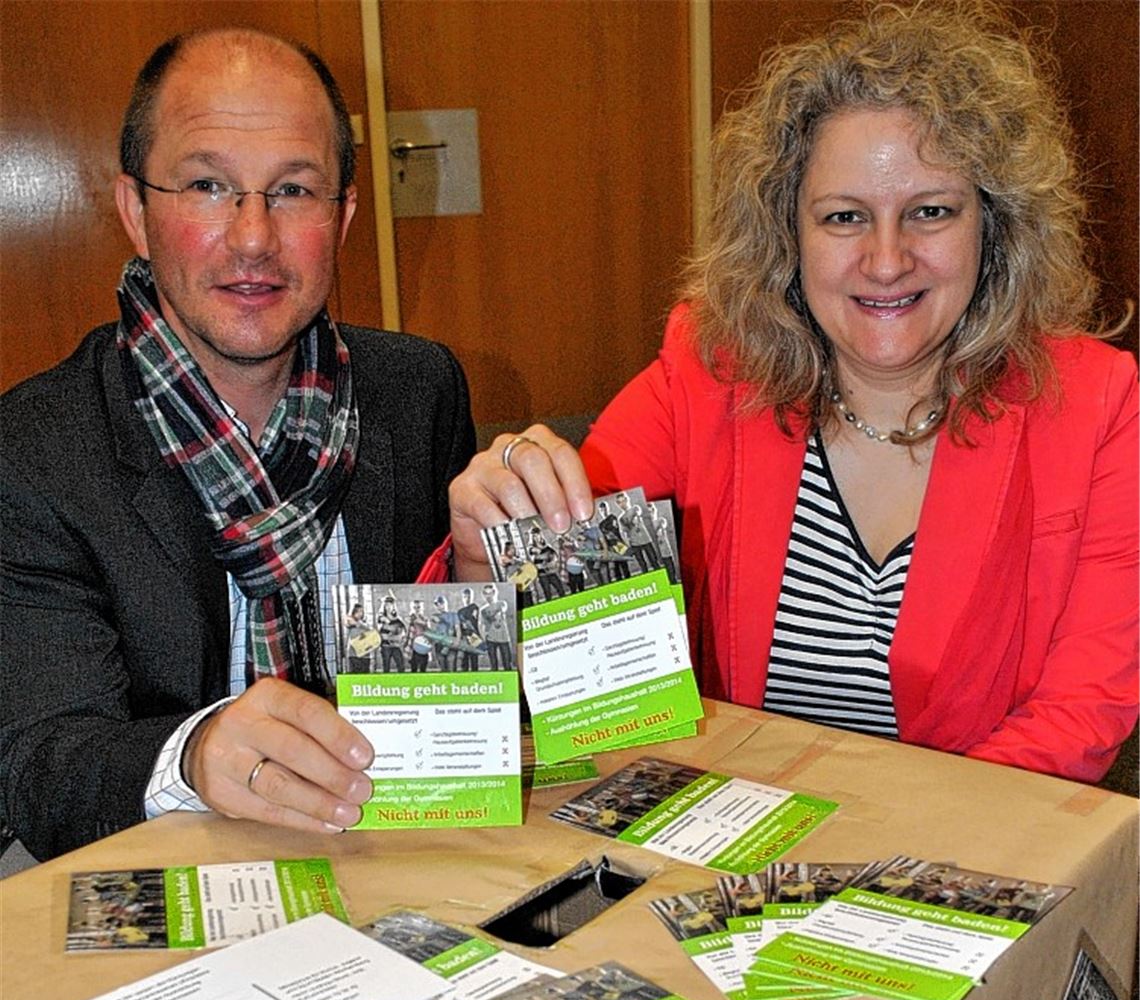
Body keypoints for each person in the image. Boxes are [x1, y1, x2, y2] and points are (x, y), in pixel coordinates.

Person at [441, 0, 1138, 786]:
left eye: (931, 213)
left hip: (962, 871)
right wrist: (485, 550)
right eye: (844, 217)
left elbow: (1082, 714)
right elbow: (546, 597)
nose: (886, 260)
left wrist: (896, 859)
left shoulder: (1097, 403)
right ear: (788, 235)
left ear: (996, 225)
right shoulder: (705, 373)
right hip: (728, 852)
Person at [1, 28, 475, 860]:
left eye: (292, 191)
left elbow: (458, 711)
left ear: (343, 216)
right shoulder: (34, 452)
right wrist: (191, 755)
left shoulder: (418, 391)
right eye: (208, 185)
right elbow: (42, 764)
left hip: (390, 864)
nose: (253, 238)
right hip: (166, 892)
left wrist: (487, 575)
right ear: (135, 211)